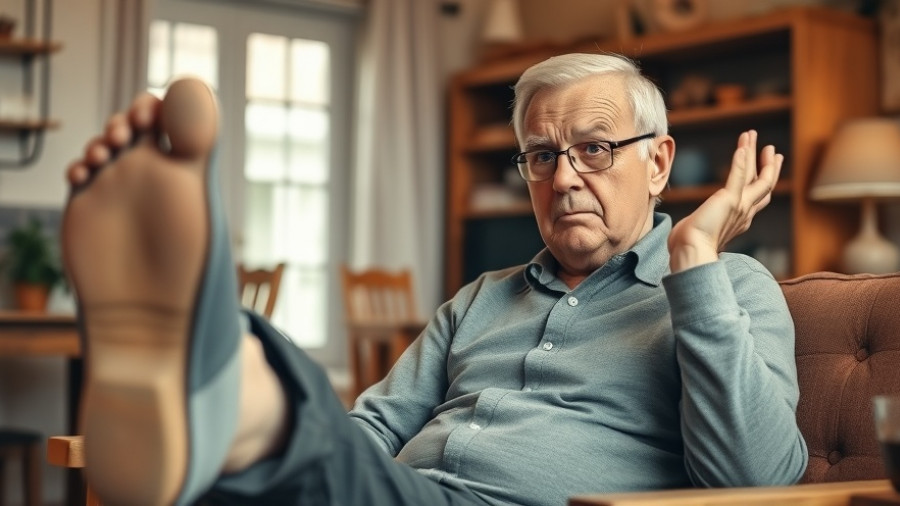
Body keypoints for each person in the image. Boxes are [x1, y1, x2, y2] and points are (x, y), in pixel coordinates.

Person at [63, 53, 807, 506]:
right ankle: (236, 397)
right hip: (401, 495)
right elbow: (376, 426)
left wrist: (695, 258)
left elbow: (758, 480)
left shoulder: (731, 288)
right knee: (233, 488)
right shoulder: (482, 297)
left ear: (659, 162)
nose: (565, 177)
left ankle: (234, 374)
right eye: (541, 156)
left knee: (267, 459)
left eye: (596, 148)